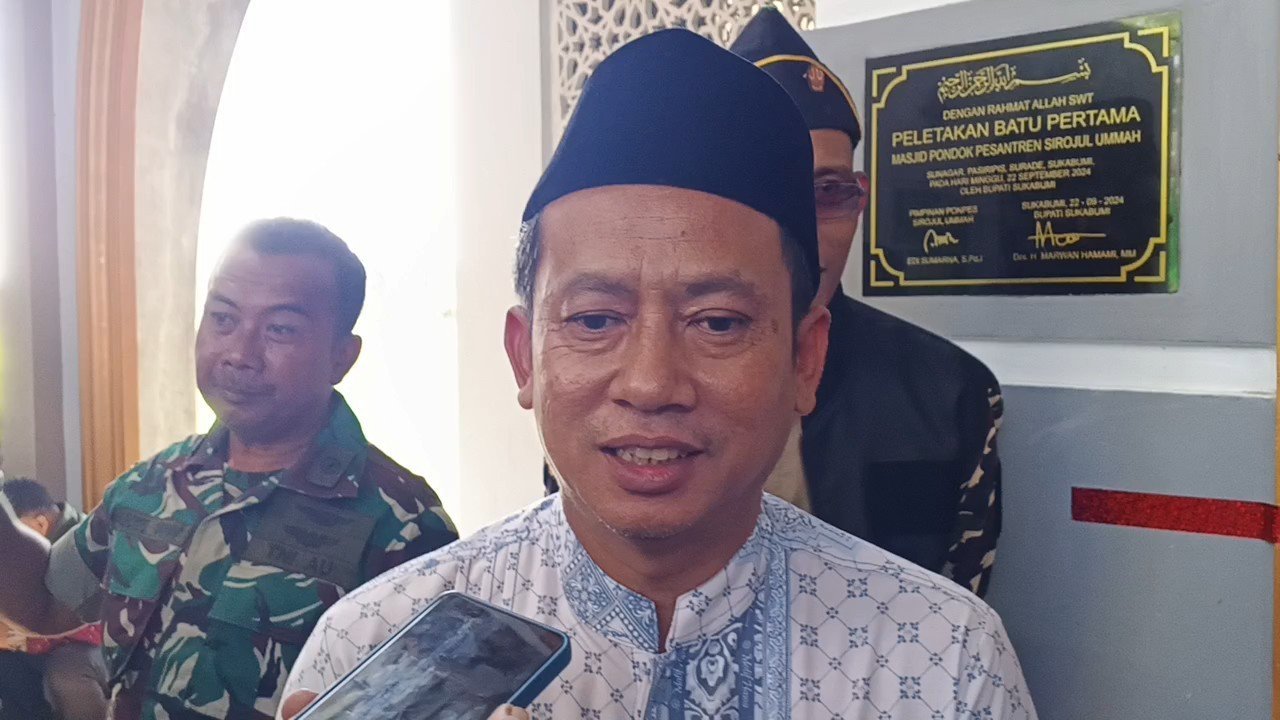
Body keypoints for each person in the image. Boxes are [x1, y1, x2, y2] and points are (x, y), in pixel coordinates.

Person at [281, 30, 1034, 718]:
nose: (649, 383)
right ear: (524, 356)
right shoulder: (369, 645)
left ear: (805, 358)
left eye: (718, 323)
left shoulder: (942, 657)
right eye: (594, 320)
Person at [0, 219, 459, 720]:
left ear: (340, 357)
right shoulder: (154, 482)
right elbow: (47, 602)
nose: (240, 354)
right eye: (223, 319)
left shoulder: (402, 526)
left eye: (280, 329)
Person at [730, 8, 1005, 596]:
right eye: (766, 193)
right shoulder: (630, 392)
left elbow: (957, 612)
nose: (803, 232)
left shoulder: (948, 393)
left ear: (861, 199)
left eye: (828, 192)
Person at [0, 478, 107, 720]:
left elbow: (95, 622)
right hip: (39, 641)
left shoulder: (83, 547)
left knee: (66, 671)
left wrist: (22, 638)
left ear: (40, 523)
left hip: (93, 645)